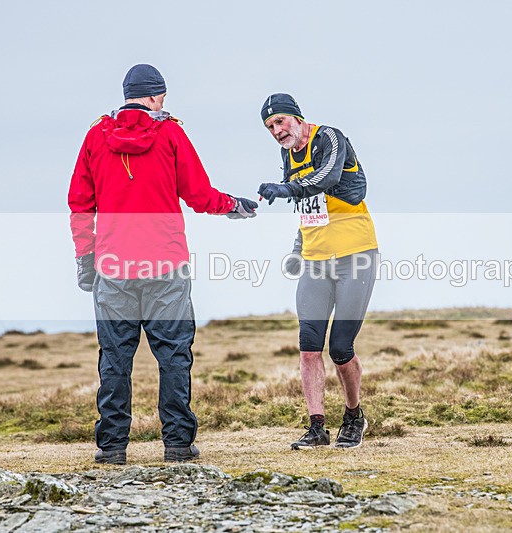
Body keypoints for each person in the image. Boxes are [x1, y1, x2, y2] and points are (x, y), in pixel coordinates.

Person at [68, 64, 257, 465]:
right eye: (163, 97)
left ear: (126, 95)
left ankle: (112, 447)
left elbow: (80, 205)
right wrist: (234, 206)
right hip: (166, 267)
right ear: (155, 96)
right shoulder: (170, 133)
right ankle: (177, 444)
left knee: (115, 357)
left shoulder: (95, 137)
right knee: (174, 355)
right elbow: (200, 194)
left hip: (113, 267)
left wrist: (86, 258)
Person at [258, 94, 378, 450]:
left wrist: (288, 187)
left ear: (297, 117)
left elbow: (325, 178)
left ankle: (354, 416)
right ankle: (316, 427)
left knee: (341, 347)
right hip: (315, 260)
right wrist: (298, 249)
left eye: (280, 122)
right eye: (269, 127)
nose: (276, 131)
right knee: (309, 346)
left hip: (356, 255)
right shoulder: (288, 154)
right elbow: (308, 207)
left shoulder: (329, 138)